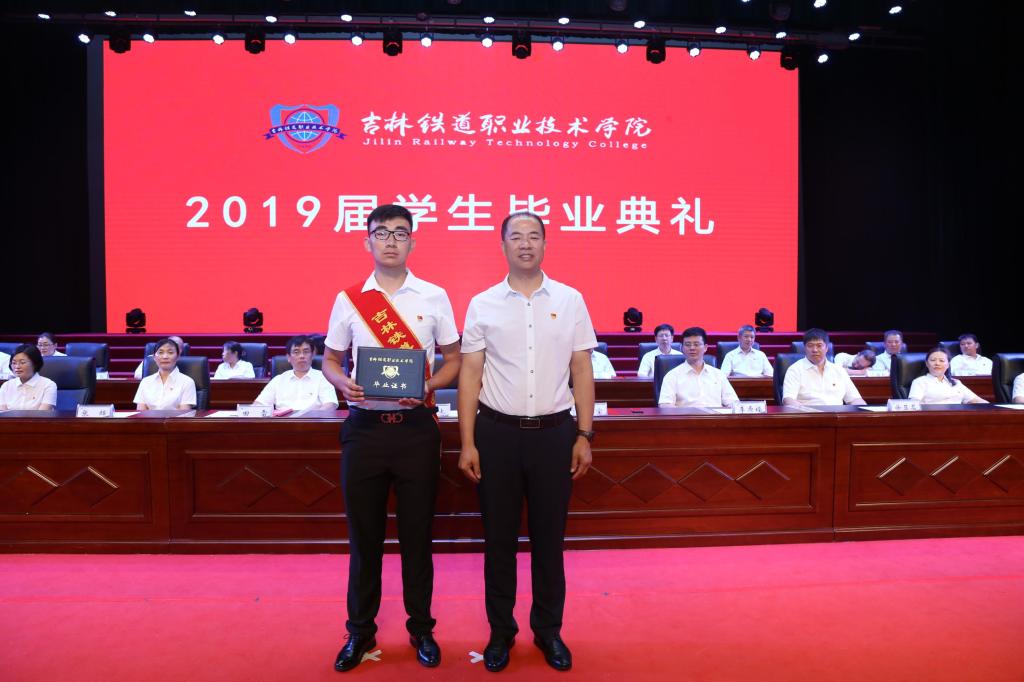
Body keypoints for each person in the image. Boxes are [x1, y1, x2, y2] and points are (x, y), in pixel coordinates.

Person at [322, 204, 461, 672]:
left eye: (400, 233)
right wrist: (344, 385)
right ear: (367, 241)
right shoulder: (349, 299)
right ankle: (360, 631)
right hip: (364, 431)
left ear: (412, 242)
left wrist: (429, 385)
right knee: (364, 539)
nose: (390, 241)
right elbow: (331, 361)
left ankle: (421, 628)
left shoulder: (434, 296)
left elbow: (455, 360)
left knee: (418, 536)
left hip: (416, 431)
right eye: (381, 233)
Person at [458, 211, 596, 673]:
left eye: (533, 236)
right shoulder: (482, 303)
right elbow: (470, 375)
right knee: (498, 541)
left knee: (549, 541)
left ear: (545, 244)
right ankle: (501, 633)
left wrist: (584, 434)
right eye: (515, 236)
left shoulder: (571, 300)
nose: (525, 244)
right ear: (502, 245)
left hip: (555, 435)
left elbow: (581, 369)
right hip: (496, 435)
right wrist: (467, 443)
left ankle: (548, 630)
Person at [658, 326, 739, 408]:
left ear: (705, 348)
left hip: (715, 416)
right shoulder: (672, 376)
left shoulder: (718, 374)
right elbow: (665, 405)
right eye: (688, 345)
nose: (692, 348)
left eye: (696, 344)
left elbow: (733, 402)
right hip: (686, 416)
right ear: (682, 348)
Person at [782, 329, 866, 407]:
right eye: (810, 345)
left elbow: (855, 399)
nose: (815, 350)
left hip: (837, 416)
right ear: (804, 348)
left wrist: (866, 411)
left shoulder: (839, 370)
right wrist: (808, 412)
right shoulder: (795, 370)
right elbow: (788, 400)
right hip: (808, 415)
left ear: (826, 348)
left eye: (819, 345)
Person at [253, 335, 337, 411]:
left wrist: (312, 417)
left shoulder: (323, 378)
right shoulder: (278, 380)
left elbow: (330, 404)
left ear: (313, 355)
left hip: (314, 421)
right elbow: (259, 404)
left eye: (306, 351)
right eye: (296, 352)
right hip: (283, 422)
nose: (302, 356)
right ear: (288, 357)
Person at [132, 337, 196, 410]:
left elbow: (184, 415)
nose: (165, 357)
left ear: (178, 356)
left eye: (170, 352)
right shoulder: (145, 382)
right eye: (160, 352)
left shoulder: (187, 382)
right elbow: (141, 414)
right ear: (154, 357)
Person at [908, 347, 986, 404]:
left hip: (958, 418)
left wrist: (992, 408)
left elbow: (975, 400)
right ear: (927, 364)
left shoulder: (956, 382)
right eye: (933, 360)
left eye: (941, 360)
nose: (937, 363)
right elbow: (914, 405)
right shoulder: (919, 382)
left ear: (948, 365)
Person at [0, 344, 57, 411]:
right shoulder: (6, 386)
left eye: (22, 362)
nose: (17, 367)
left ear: (35, 363)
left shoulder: (48, 385)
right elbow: (3, 413)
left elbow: (43, 414)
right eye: (14, 363)